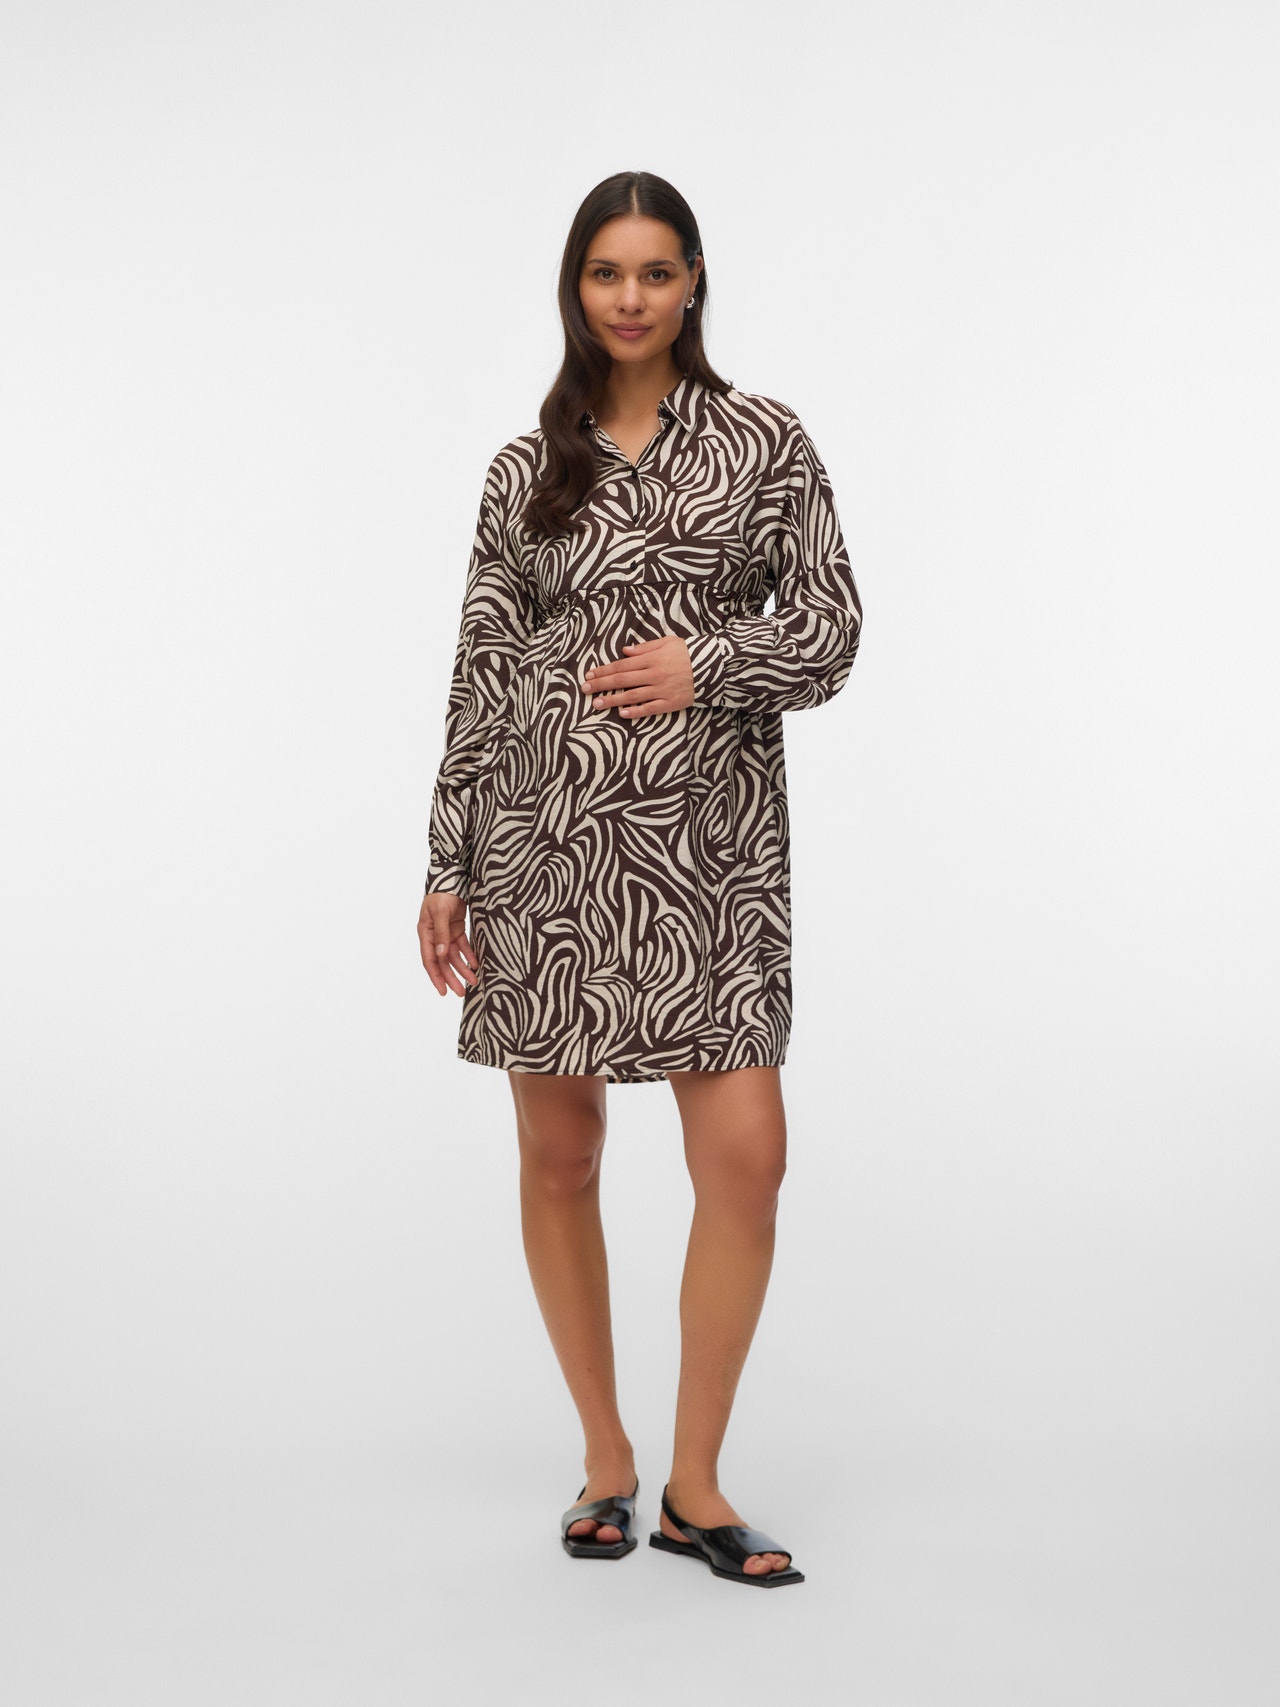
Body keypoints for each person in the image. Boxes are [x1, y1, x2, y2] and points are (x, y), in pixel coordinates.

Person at [417, 170, 861, 1586]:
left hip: (713, 859)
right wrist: (447, 860)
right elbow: (483, 673)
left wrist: (707, 662)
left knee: (747, 1158)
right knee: (562, 1157)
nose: (630, 297)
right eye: (606, 273)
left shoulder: (764, 442)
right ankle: (607, 1461)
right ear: (575, 287)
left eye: (655, 272)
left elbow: (834, 631)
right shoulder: (526, 469)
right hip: (544, 852)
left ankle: (696, 1484)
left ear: (694, 281)